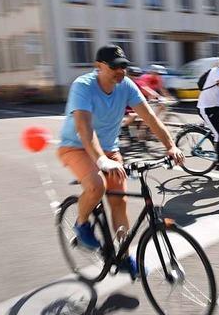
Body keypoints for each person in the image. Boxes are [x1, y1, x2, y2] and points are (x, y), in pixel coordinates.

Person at [57, 45, 184, 275]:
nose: (120, 71)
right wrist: (101, 160)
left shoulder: (126, 86)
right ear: (99, 67)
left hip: (109, 149)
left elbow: (150, 118)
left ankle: (123, 256)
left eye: (123, 65)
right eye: (114, 66)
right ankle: (82, 223)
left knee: (119, 202)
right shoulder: (83, 86)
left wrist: (171, 146)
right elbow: (85, 128)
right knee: (97, 186)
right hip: (75, 147)